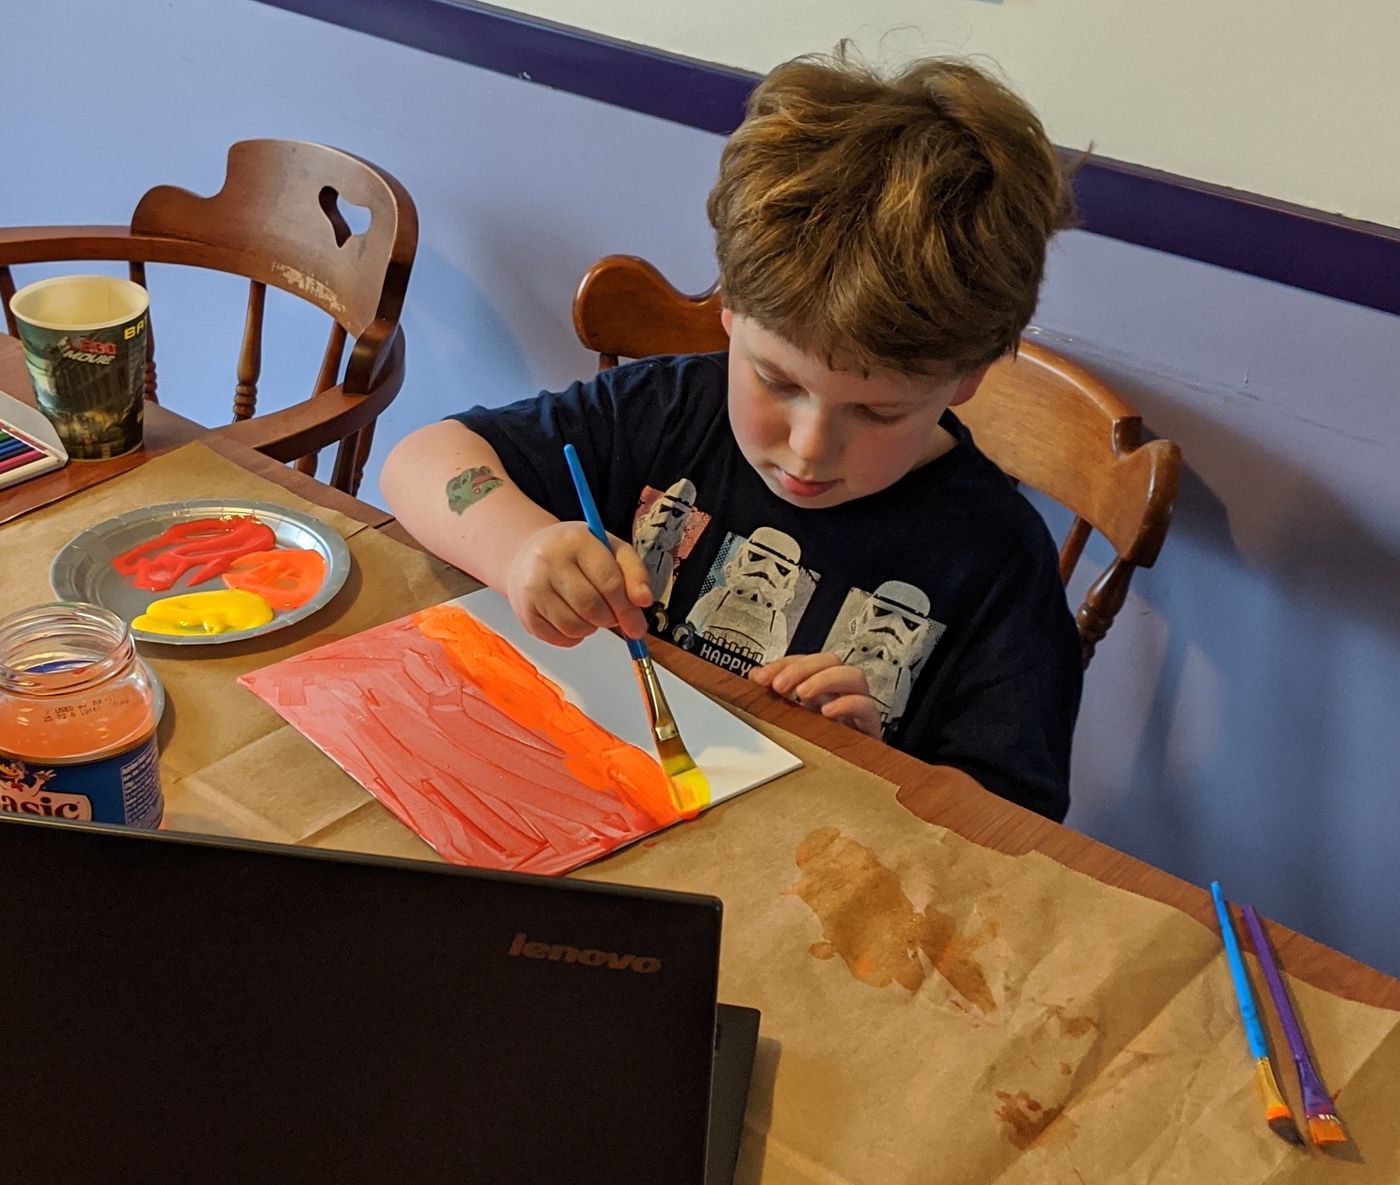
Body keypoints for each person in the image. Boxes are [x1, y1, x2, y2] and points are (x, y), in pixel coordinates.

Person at [380, 49, 1084, 819]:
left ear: (969, 377)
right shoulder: (670, 409)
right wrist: (518, 549)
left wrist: (877, 770)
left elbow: (1018, 828)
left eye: (878, 413)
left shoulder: (998, 562)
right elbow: (422, 461)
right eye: (778, 382)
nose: (810, 448)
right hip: (583, 800)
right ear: (730, 313)